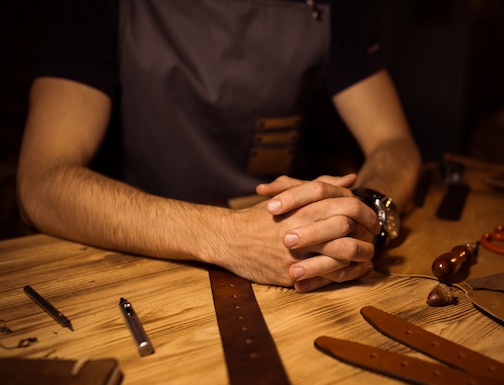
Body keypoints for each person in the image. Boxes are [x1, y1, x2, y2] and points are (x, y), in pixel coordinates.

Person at [16, 0, 421, 292]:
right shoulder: (96, 9)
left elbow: (394, 142)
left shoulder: (328, 8)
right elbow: (42, 181)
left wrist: (364, 214)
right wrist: (230, 236)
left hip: (284, 256)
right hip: (140, 252)